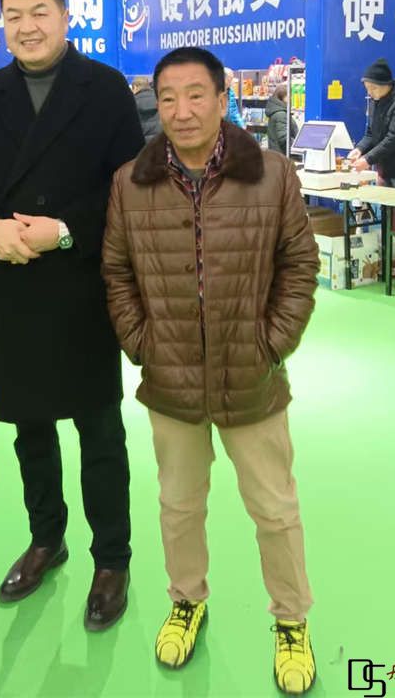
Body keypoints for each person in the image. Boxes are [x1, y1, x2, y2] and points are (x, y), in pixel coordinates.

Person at [102, 47, 319, 694]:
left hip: (251, 376)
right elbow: (117, 272)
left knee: (275, 509)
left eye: (196, 94)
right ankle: (187, 601)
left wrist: (271, 344)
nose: (182, 110)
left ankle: (291, 619)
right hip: (170, 379)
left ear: (223, 101)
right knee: (178, 506)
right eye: (168, 97)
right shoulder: (130, 183)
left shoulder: (273, 175)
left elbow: (299, 265)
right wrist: (144, 344)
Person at [0, 0, 144, 631]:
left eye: (38, 13)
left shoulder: (105, 89)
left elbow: (130, 186)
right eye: (13, 16)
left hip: (81, 284)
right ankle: (45, 539)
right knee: (31, 428)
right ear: (0, 22)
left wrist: (65, 229)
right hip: (14, 282)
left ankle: (111, 558)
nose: (26, 27)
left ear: (65, 15)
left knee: (99, 430)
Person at [348, 58, 395, 187]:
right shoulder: (375, 102)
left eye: (373, 88)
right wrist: (360, 149)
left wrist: (367, 159)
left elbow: (393, 139)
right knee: (382, 200)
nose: (369, 93)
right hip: (385, 171)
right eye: (367, 88)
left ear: (386, 84)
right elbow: (370, 134)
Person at [266, 84, 299, 155]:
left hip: (276, 155)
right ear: (282, 97)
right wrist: (298, 145)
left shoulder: (277, 111)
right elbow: (284, 139)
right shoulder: (281, 115)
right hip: (282, 156)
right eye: (289, 96)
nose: (291, 98)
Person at [131, 74, 161, 142]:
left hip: (142, 144)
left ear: (135, 87)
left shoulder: (132, 103)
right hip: (159, 142)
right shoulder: (158, 99)